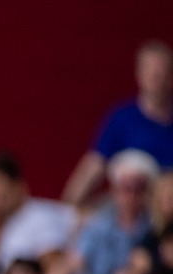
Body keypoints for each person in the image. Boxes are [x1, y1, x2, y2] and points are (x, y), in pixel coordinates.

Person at [63, 40, 173, 205]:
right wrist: (66, 207)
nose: (156, 78)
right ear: (138, 73)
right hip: (130, 211)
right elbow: (94, 165)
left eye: (162, 72)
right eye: (150, 71)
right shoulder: (122, 119)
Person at [69, 149, 160, 274]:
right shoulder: (95, 224)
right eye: (126, 188)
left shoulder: (156, 228)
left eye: (138, 189)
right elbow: (77, 264)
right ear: (114, 190)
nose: (131, 196)